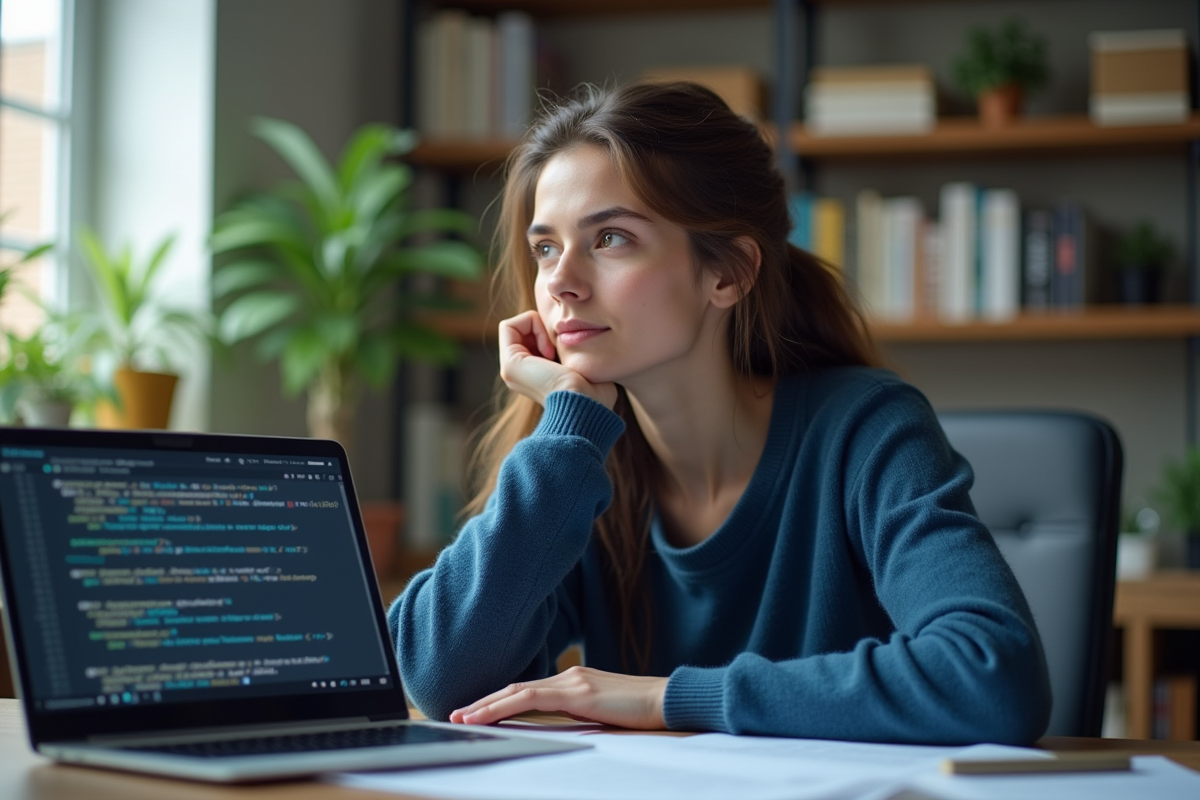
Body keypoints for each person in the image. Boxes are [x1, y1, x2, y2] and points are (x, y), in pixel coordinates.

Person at [390, 81, 1051, 744]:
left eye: (612, 238)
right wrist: (564, 431)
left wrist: (672, 699)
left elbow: (992, 679)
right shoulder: (576, 463)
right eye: (545, 248)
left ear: (728, 273)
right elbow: (439, 679)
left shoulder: (866, 428)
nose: (561, 282)